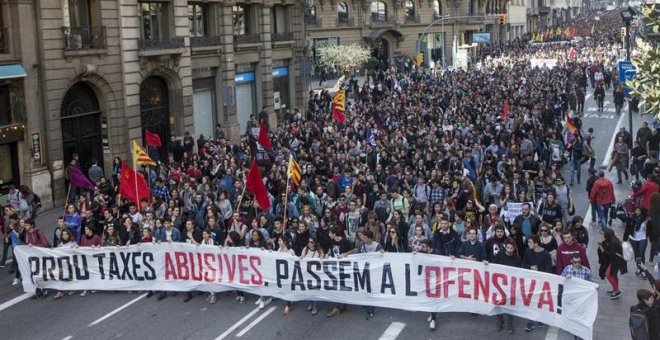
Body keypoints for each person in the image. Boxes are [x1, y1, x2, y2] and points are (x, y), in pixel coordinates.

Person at [523, 235, 552, 332]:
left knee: (540, 302)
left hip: (541, 282)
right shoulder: (528, 252)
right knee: (531, 303)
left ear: (536, 243)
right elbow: (524, 265)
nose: (528, 244)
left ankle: (541, 318)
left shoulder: (546, 254)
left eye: (530, 242)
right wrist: (530, 268)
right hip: (530, 282)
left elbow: (549, 270)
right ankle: (530, 322)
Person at [493, 239, 522, 334]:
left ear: (514, 248)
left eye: (511, 248)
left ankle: (510, 324)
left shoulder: (517, 258)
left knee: (510, 305)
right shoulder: (499, 255)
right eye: (508, 247)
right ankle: (500, 320)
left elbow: (520, 272)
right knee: (498, 304)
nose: (509, 250)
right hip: (499, 285)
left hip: (511, 286)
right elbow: (493, 267)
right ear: (505, 247)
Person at [325, 226, 353, 317]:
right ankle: (338, 306)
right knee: (336, 285)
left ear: (334, 234)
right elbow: (330, 250)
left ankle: (339, 306)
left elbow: (354, 250)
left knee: (342, 285)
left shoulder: (344, 241)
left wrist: (344, 254)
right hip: (334, 267)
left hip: (344, 267)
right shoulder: (331, 241)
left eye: (330, 233)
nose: (329, 235)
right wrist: (326, 255)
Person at [598, 228, 628, 299]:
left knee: (608, 275)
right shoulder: (613, 239)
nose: (603, 235)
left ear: (607, 235)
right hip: (615, 260)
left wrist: (602, 249)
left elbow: (611, 254)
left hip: (616, 261)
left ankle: (617, 291)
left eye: (604, 234)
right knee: (613, 275)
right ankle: (615, 289)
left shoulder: (613, 242)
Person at [625, 208, 652, 276]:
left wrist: (646, 223)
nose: (636, 212)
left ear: (642, 212)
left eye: (638, 211)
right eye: (636, 210)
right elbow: (627, 228)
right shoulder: (632, 218)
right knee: (637, 254)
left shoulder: (647, 219)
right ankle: (639, 268)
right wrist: (625, 238)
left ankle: (643, 270)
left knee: (641, 254)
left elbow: (650, 229)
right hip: (633, 238)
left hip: (642, 238)